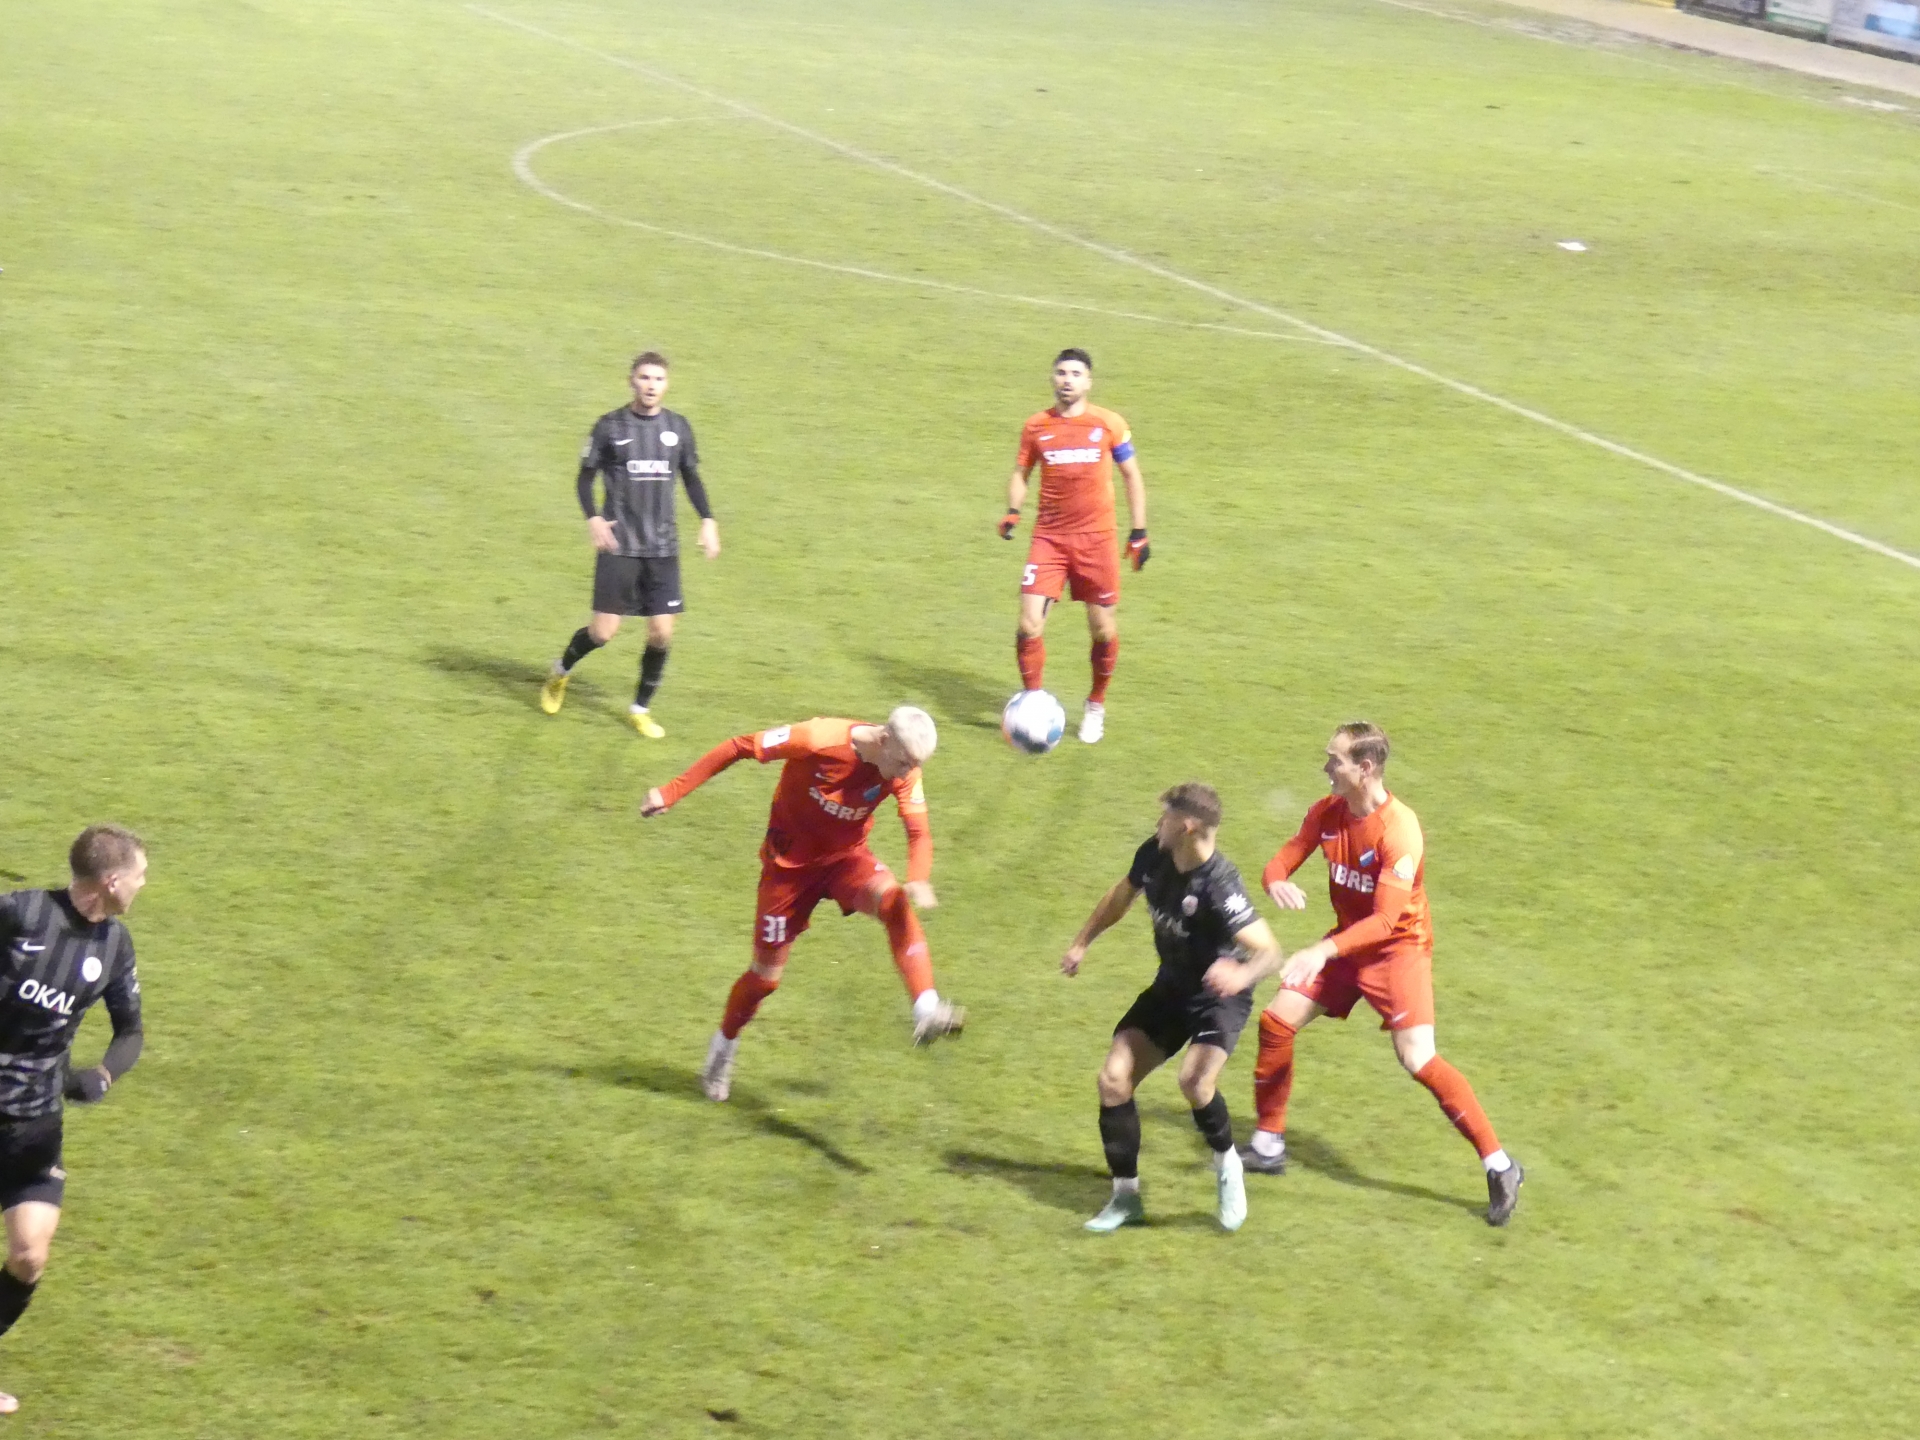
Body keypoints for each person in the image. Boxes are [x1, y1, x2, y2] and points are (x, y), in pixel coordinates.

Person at [1204, 723, 1523, 1225]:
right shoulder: (1328, 812)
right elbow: (1284, 858)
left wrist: (1321, 951)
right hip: (1347, 944)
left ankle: (1500, 1165)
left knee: (1417, 1057)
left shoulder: (1399, 831)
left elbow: (1387, 921)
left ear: (1365, 768)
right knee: (1277, 1021)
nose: (1326, 767)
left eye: (1335, 760)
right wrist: (1276, 880)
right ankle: (1268, 1144)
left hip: (1398, 952)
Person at [641, 708, 965, 1101]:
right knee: (765, 980)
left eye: (915, 765)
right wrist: (671, 792)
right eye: (904, 762)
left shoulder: (904, 769)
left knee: (896, 904)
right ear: (884, 740)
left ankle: (926, 1008)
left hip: (846, 861)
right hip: (788, 872)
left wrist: (918, 876)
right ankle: (723, 1046)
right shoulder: (817, 739)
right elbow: (740, 746)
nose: (908, 773)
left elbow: (919, 832)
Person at [1061, 784, 1281, 1233]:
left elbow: (1270, 951)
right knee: (1114, 1079)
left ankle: (1228, 1165)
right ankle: (1126, 1198)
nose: (1158, 823)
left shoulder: (1219, 885)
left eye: (1166, 816)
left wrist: (1240, 975)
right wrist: (1082, 942)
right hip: (1172, 988)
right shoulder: (1155, 854)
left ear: (1188, 826)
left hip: (1219, 998)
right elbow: (1121, 896)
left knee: (1195, 1082)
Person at [0, 826, 147, 1414]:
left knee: (29, 1256)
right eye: (138, 875)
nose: (142, 885)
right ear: (111, 881)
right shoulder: (20, 914)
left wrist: (104, 1075)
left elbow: (130, 1031)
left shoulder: (115, 945)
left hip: (35, 1128)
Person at [540, 351, 721, 737]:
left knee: (662, 633)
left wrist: (708, 519)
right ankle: (560, 671)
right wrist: (593, 517)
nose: (651, 385)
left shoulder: (677, 428)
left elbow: (691, 477)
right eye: (644, 377)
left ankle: (640, 708)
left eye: (658, 379)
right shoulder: (610, 426)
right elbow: (585, 478)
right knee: (602, 633)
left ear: (667, 384)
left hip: (662, 548)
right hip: (620, 545)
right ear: (631, 381)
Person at [998, 349, 1149, 744]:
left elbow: (1131, 475)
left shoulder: (1109, 424)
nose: (1067, 380)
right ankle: (1033, 701)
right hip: (1049, 539)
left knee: (1102, 629)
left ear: (1088, 382)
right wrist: (1013, 510)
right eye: (1062, 372)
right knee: (1028, 624)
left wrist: (1139, 531)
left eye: (1076, 374)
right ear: (1053, 378)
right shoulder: (1036, 426)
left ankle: (1096, 704)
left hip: (1097, 541)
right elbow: (1021, 472)